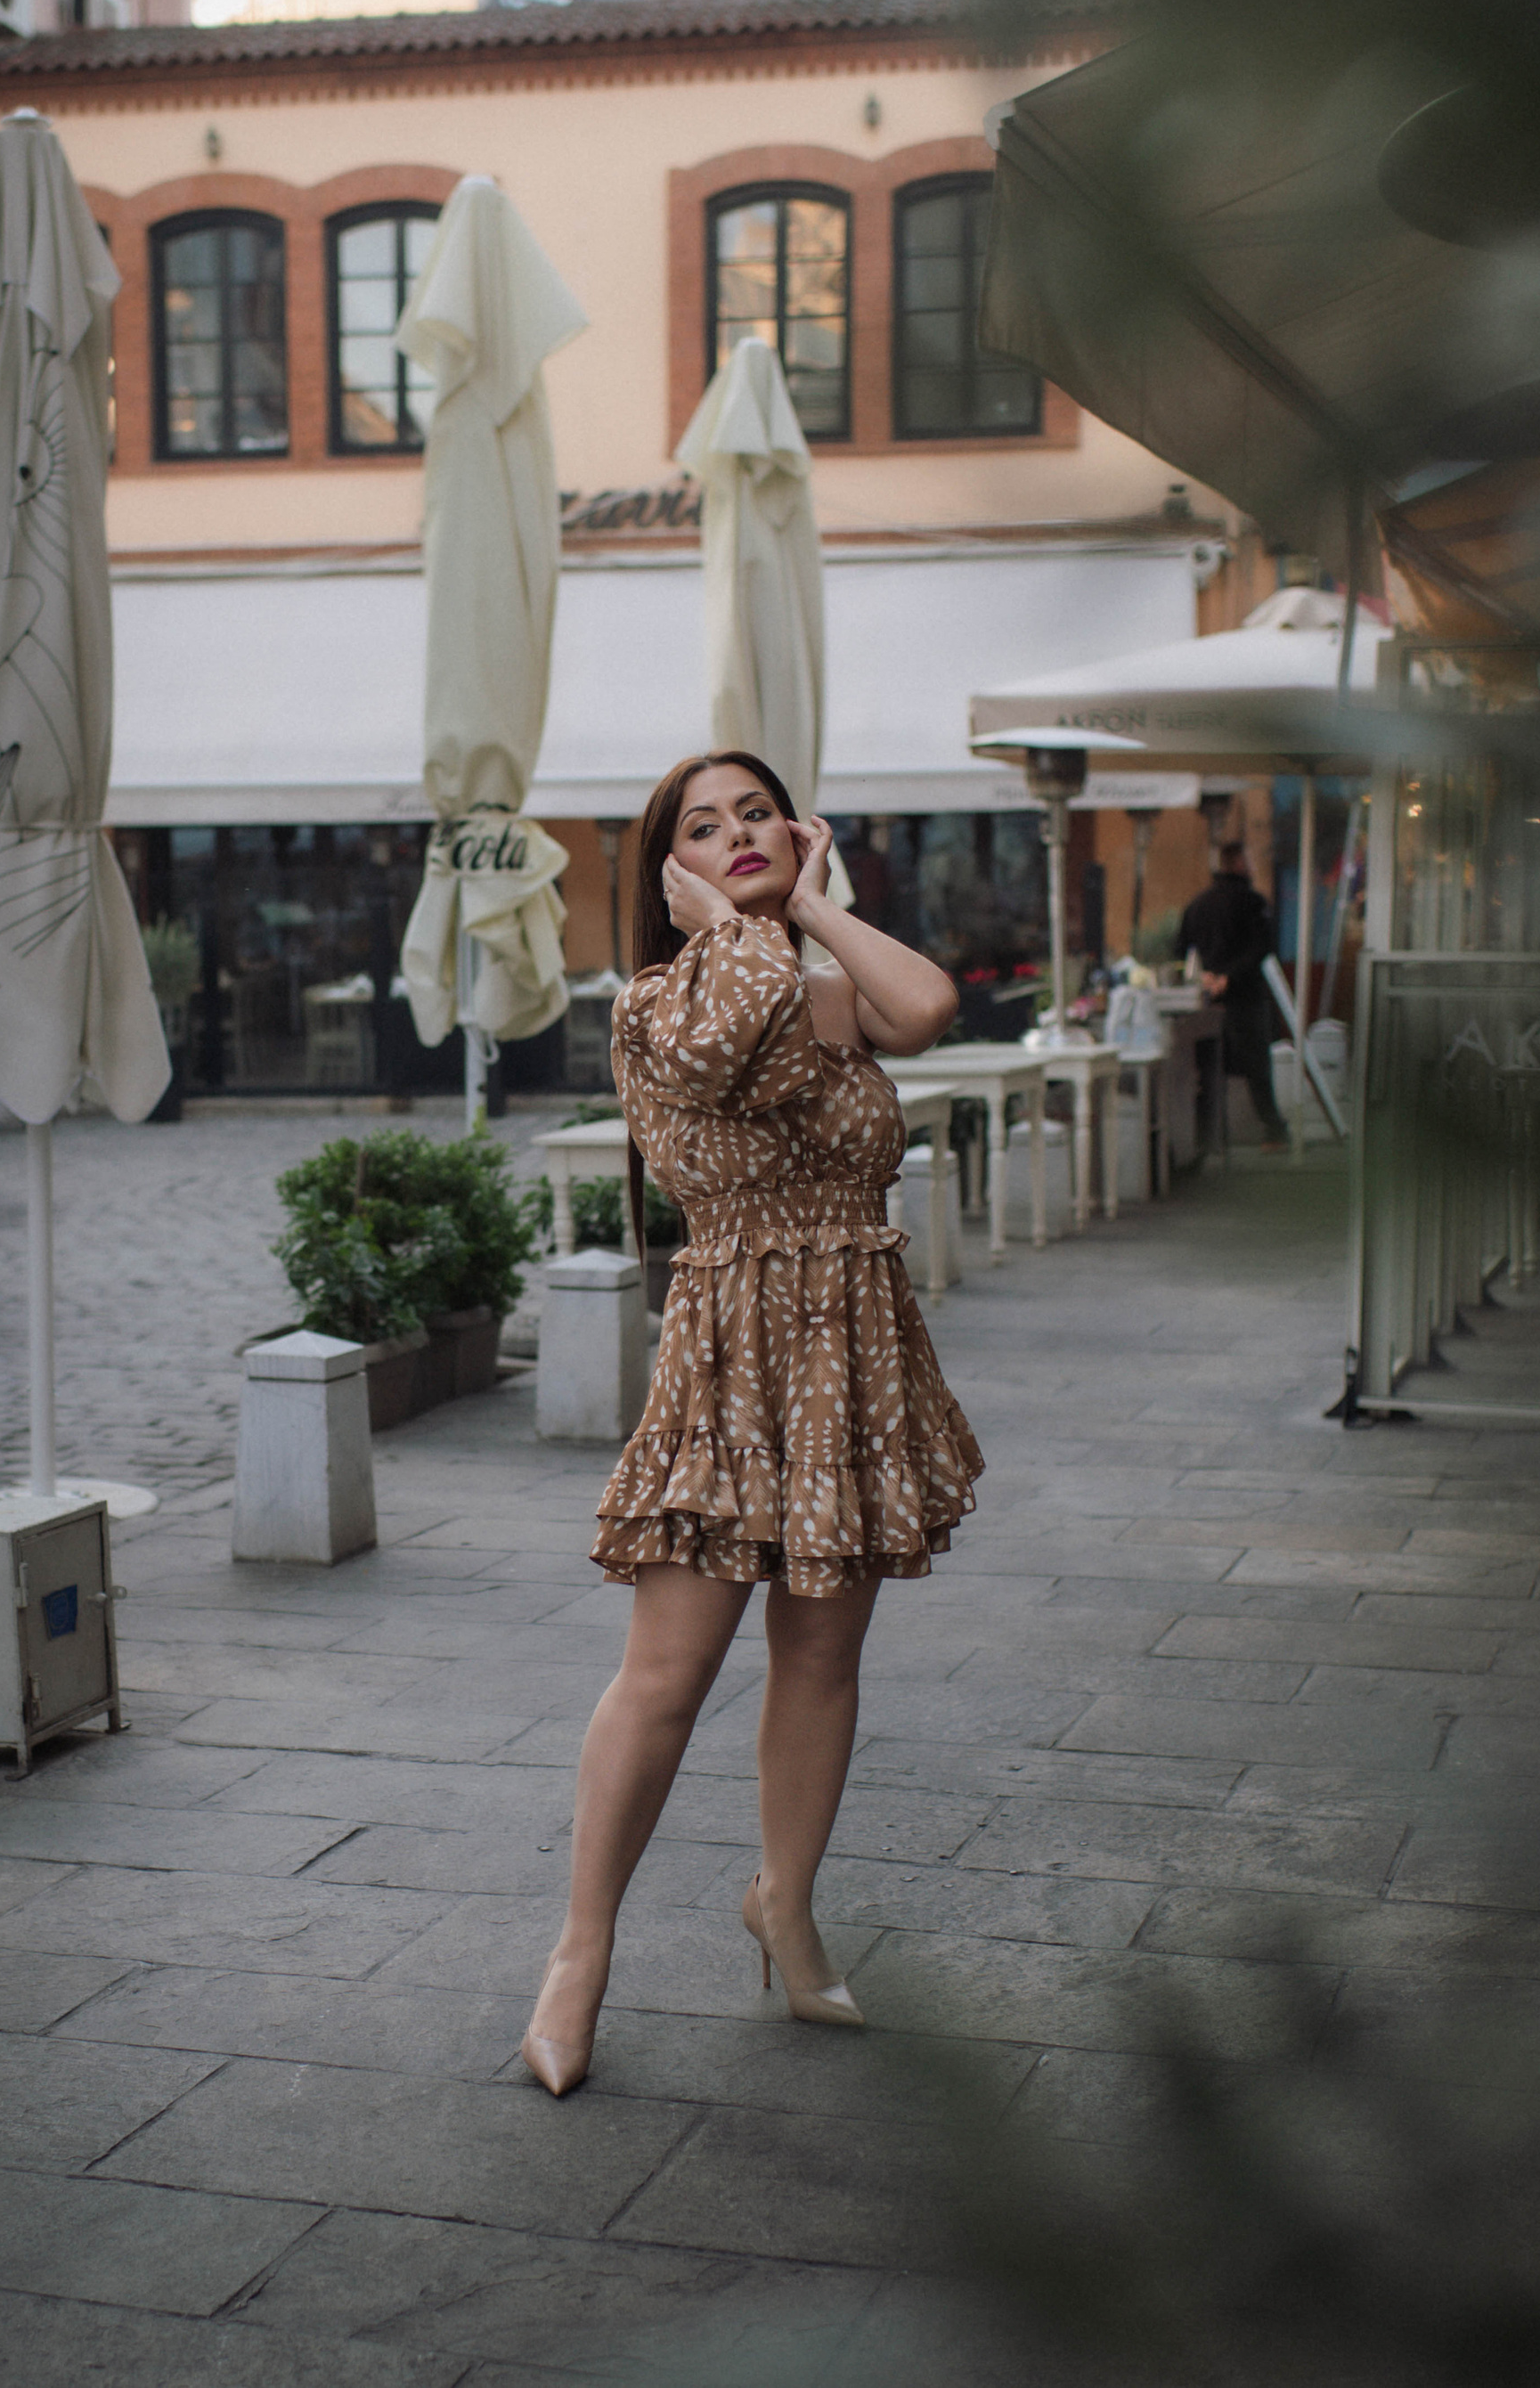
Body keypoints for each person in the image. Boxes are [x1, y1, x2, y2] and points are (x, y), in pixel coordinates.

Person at [520, 752, 983, 2096]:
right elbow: (731, 1036)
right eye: (704, 826)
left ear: (797, 831)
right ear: (667, 874)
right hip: (729, 1365)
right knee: (667, 1673)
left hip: (853, 1354)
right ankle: (580, 1950)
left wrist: (816, 902)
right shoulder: (661, 1004)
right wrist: (730, 924)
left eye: (759, 816)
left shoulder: (827, 985)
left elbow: (928, 1006)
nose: (738, 834)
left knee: (822, 1655)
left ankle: (784, 1902)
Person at [1176, 840, 1290, 1149]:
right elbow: (1263, 947)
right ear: (1239, 863)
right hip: (1246, 997)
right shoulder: (1252, 903)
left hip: (1206, 1002)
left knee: (1206, 1072)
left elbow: (1181, 948)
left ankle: (1205, 1138)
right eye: (1248, 860)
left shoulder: (1197, 905)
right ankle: (1273, 1131)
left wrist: (1205, 976)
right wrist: (1231, 976)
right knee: (1257, 1068)